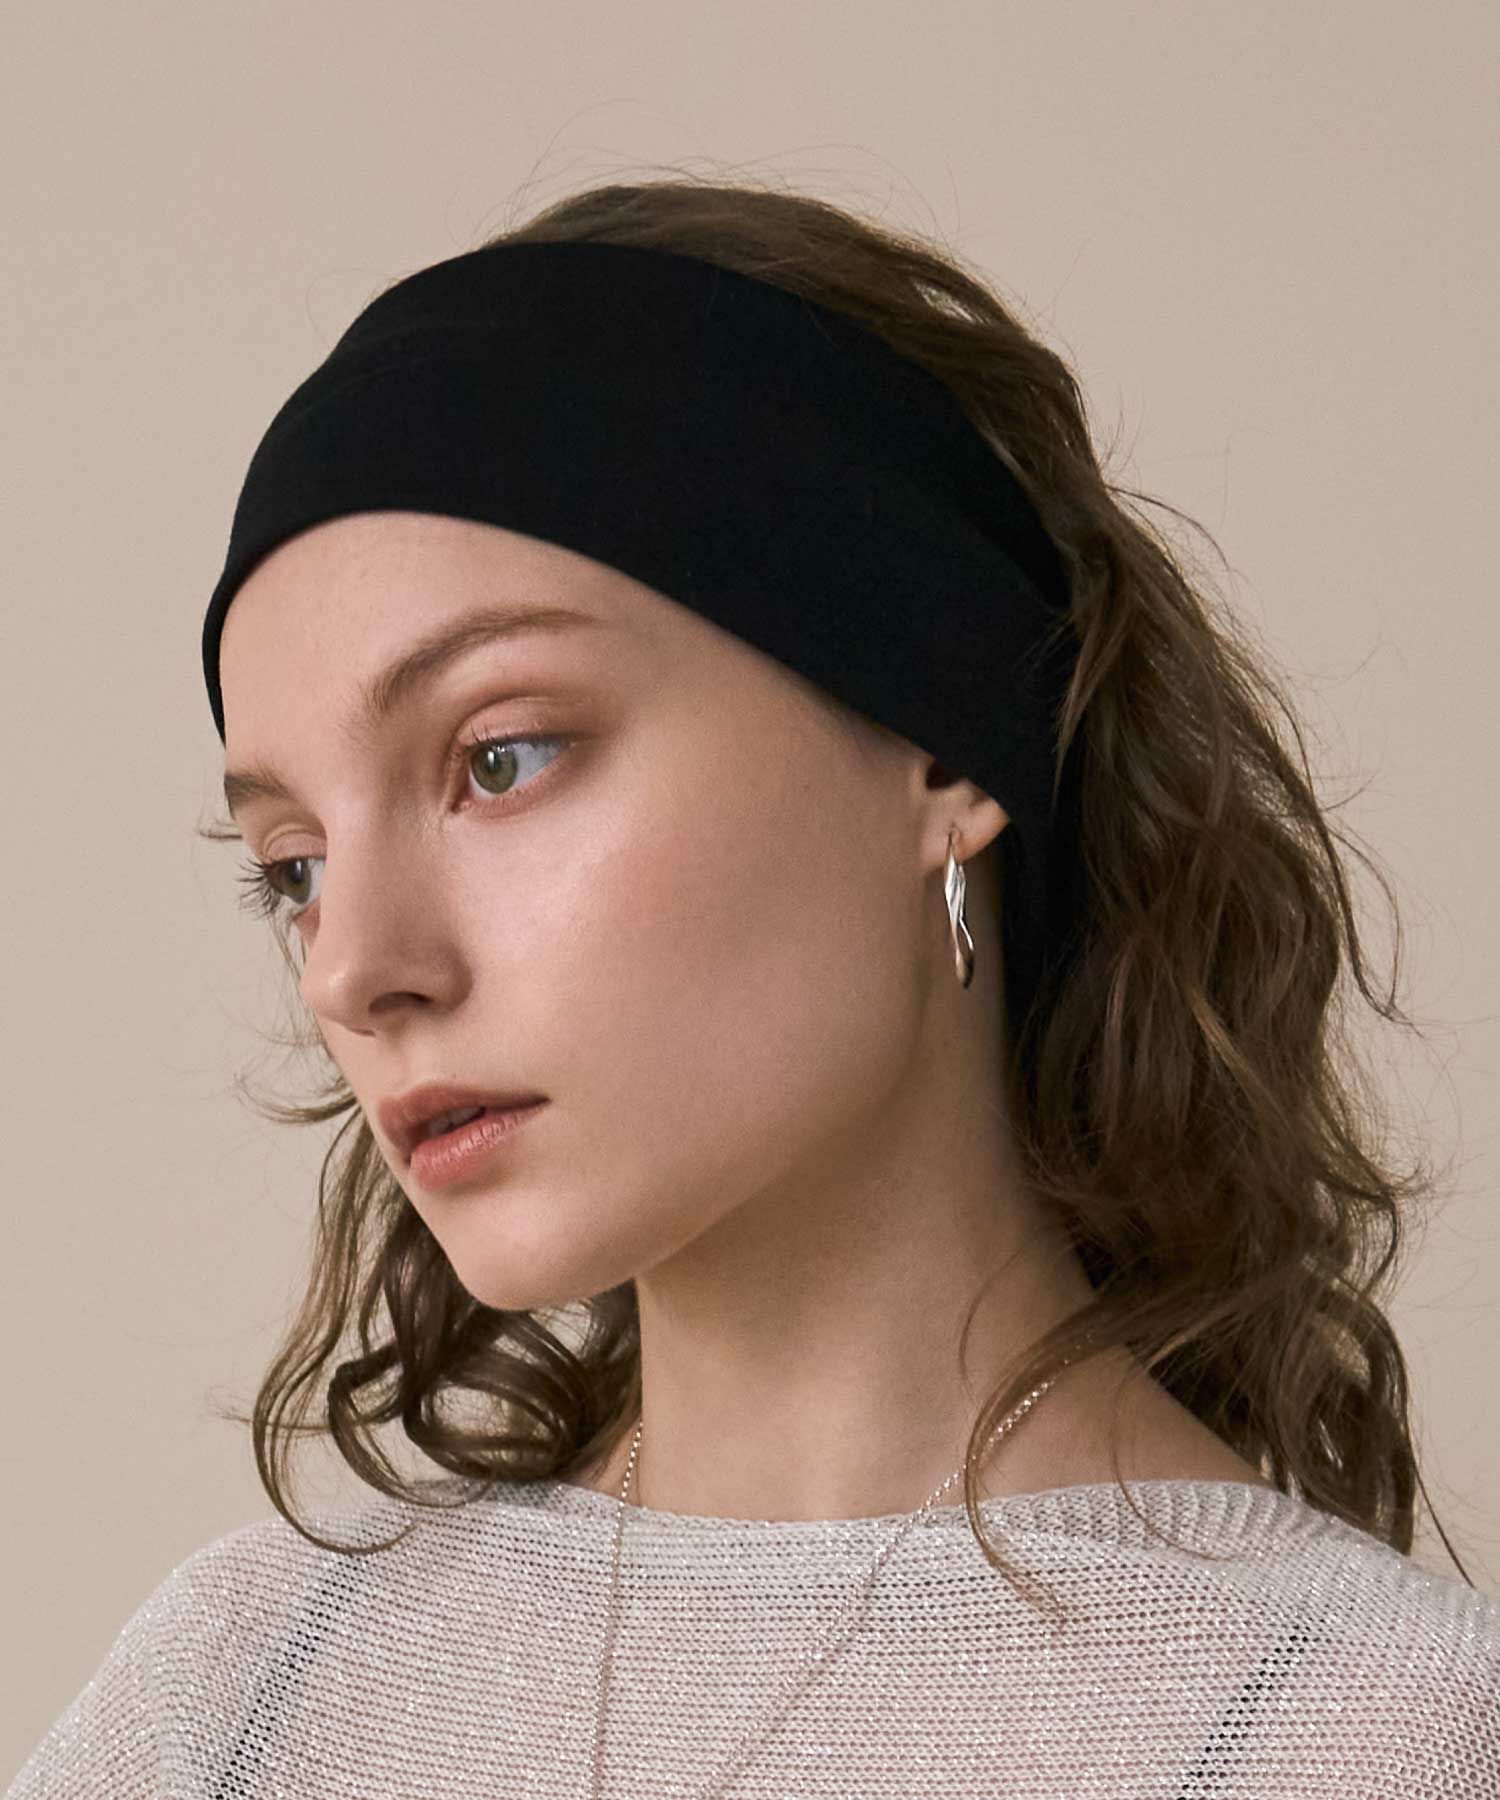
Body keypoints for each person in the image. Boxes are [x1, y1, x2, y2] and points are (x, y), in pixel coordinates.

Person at [8, 177, 1497, 1799]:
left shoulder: (1386, 1736)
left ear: (941, 742)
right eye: (292, 866)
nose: (358, 968)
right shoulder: (244, 1698)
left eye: (501, 759)